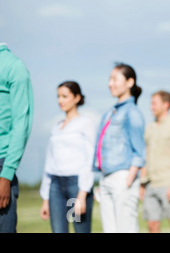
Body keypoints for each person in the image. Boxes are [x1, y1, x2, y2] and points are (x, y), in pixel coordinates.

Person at [93, 63, 146, 233]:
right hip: (106, 177)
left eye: (115, 79)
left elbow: (139, 151)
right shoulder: (110, 112)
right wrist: (103, 179)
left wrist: (128, 180)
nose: (110, 83)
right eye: (110, 79)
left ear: (130, 82)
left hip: (123, 177)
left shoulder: (132, 112)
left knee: (126, 229)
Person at [39, 81, 96, 233]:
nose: (60, 100)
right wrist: (45, 199)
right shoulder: (56, 126)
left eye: (65, 96)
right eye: (58, 96)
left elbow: (89, 159)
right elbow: (49, 163)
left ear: (77, 98)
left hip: (75, 186)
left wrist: (82, 194)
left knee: (79, 229)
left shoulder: (85, 123)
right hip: (55, 187)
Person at [140, 91, 170, 233]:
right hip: (150, 183)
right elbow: (146, 155)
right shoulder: (150, 127)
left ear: (165, 105)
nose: (151, 107)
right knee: (152, 225)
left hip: (167, 183)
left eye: (154, 103)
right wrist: (142, 183)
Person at [0, 43, 34, 233]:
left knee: (75, 222)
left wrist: (6, 174)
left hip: (2, 166)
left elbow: (21, 124)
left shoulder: (14, 67)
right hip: (56, 185)